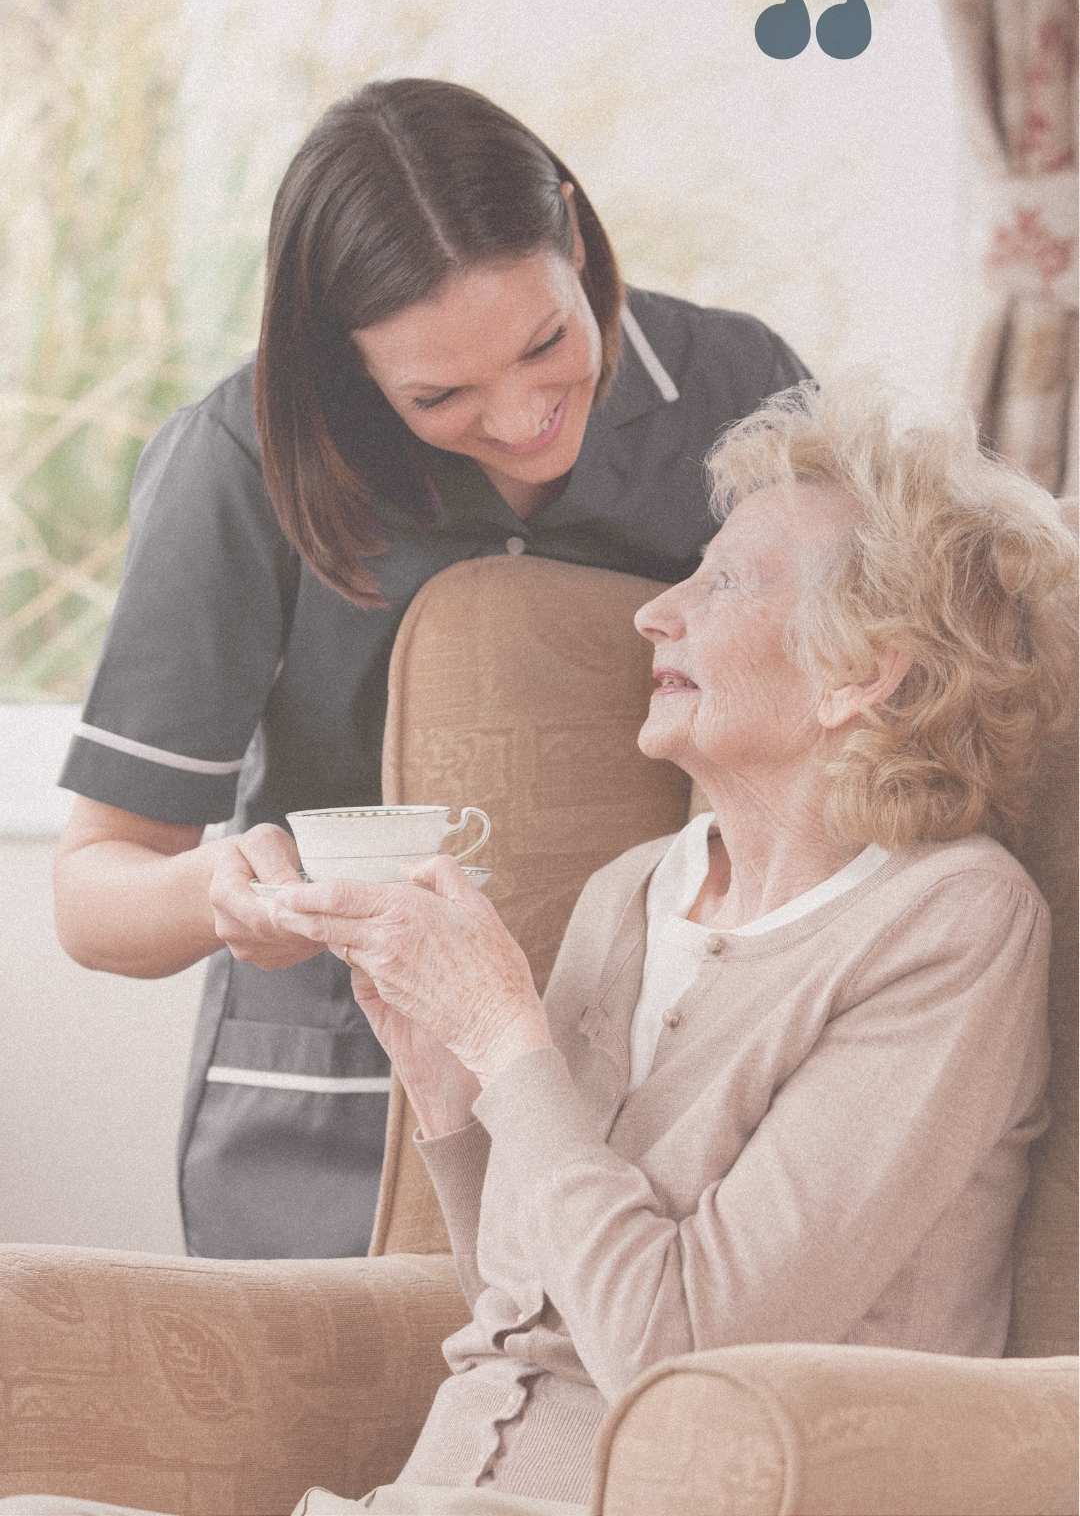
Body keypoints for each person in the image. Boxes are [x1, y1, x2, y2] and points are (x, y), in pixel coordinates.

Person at [17, 379, 1072, 1516]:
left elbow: (680, 1352)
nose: (656, 614)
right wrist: (444, 1084)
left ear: (864, 670)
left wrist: (505, 1033)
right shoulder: (633, 894)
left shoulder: (950, 923)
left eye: (727, 582)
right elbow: (519, 1299)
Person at [50, 78, 810, 1260]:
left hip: (660, 1080)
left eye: (547, 343)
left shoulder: (737, 392)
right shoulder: (243, 459)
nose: (518, 419)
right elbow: (94, 895)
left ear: (570, 226)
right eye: (438, 395)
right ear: (342, 360)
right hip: (338, 1106)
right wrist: (226, 892)